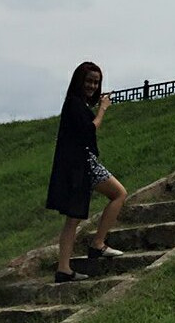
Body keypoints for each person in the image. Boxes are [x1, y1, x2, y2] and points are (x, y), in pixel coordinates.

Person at [45, 62, 128, 283]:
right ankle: (97, 244)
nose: (92, 86)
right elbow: (89, 130)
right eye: (89, 81)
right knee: (119, 194)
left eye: (96, 82)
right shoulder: (74, 104)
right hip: (82, 165)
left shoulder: (75, 104)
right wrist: (103, 109)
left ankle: (64, 268)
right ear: (79, 81)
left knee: (73, 218)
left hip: (78, 165)